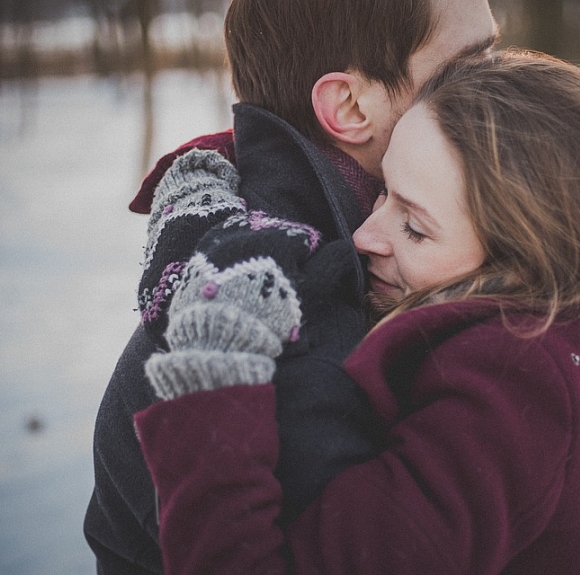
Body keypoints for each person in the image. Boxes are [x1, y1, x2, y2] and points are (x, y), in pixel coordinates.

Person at [133, 50, 580, 574]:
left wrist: (214, 374)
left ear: (524, 265)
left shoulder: (509, 399)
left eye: (415, 228)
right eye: (383, 191)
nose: (365, 235)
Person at [84, 1, 501, 573]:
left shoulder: (386, 247)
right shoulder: (289, 319)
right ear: (349, 106)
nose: (505, 84)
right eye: (468, 66)